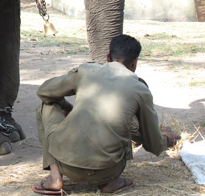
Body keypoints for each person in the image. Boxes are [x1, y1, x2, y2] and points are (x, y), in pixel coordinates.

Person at [32, 34, 180, 195]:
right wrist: (167, 139)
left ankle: (55, 177)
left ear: (108, 57)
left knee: (46, 105)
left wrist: (65, 105)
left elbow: (44, 92)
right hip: (108, 171)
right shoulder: (141, 89)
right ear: (134, 62)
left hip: (66, 166)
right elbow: (153, 144)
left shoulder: (86, 71)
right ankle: (111, 183)